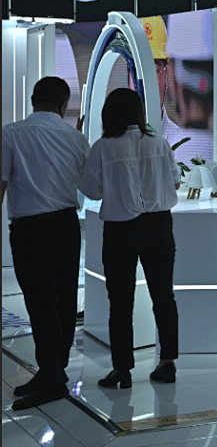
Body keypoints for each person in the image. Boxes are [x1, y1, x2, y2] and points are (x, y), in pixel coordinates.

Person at [79, 88, 182, 389]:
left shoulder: (103, 146)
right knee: (163, 296)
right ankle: (167, 362)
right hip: (159, 225)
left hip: (121, 230)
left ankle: (122, 369)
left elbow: (92, 190)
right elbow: (175, 180)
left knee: (120, 301)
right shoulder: (159, 142)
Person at [1, 77, 89, 410]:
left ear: (32, 100)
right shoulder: (76, 138)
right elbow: (85, 181)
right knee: (64, 300)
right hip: (67, 226)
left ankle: (52, 380)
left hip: (31, 230)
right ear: (64, 105)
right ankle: (53, 370)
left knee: (41, 304)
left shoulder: (11, 134)